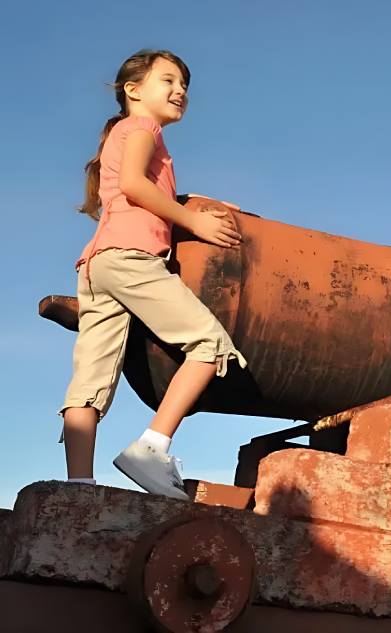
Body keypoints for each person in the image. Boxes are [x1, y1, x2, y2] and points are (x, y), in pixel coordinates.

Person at [60, 49, 247, 500]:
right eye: (168, 80)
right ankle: (152, 447)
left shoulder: (122, 133)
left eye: (184, 84)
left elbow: (136, 188)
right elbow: (134, 184)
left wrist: (193, 200)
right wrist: (194, 221)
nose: (180, 90)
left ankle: (79, 489)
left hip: (97, 265)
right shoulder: (144, 127)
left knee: (89, 384)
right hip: (131, 258)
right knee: (208, 344)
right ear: (133, 89)